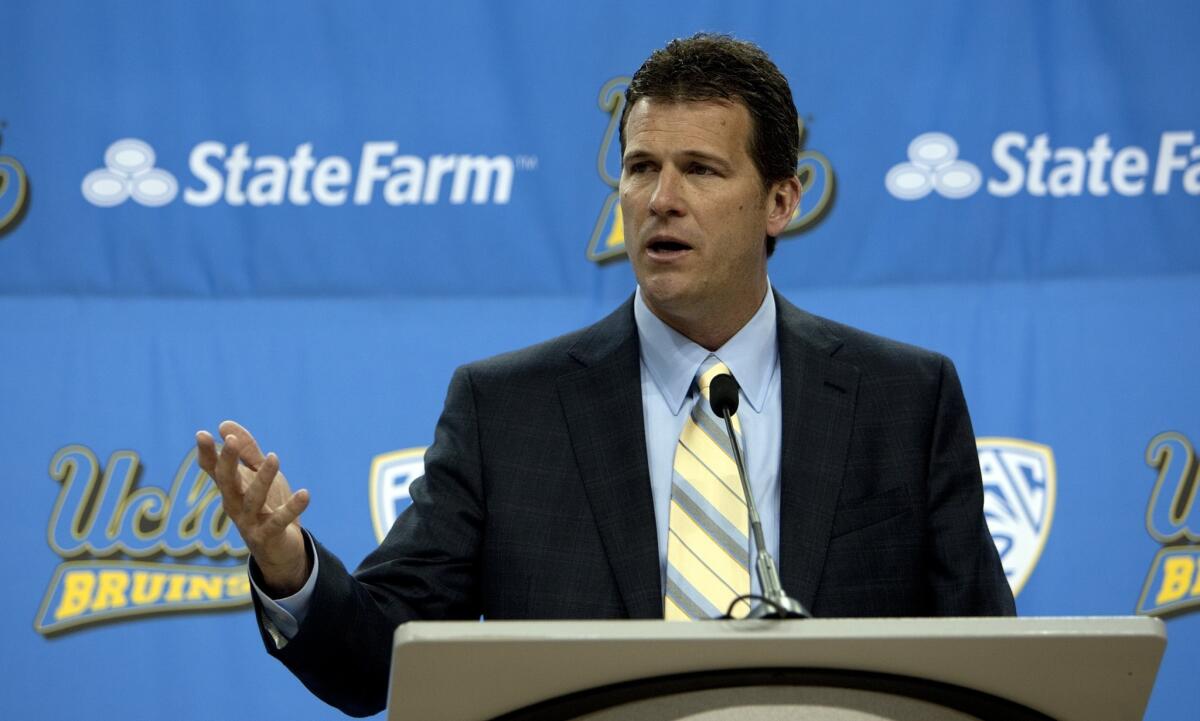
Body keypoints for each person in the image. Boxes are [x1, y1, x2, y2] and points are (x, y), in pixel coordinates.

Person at [197, 33, 1014, 717]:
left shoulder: (903, 400)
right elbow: (377, 662)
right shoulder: (506, 410)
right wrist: (290, 565)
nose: (660, 198)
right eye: (639, 168)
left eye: (700, 169)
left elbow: (988, 666)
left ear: (781, 201)